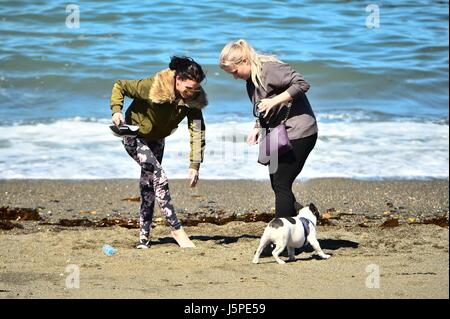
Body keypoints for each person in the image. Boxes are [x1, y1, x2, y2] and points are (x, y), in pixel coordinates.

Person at [109, 56, 208, 248]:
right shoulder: (152, 86)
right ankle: (177, 230)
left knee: (149, 185)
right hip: (133, 134)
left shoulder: (192, 97)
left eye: (194, 89)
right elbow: (120, 85)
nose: (191, 93)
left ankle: (143, 239)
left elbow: (197, 129)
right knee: (159, 176)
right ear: (177, 79)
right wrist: (116, 111)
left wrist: (195, 164)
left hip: (157, 138)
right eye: (187, 88)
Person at [219, 39, 317, 219]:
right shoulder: (251, 82)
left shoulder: (269, 69)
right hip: (278, 134)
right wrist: (258, 127)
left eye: (234, 71)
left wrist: (274, 100)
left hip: (300, 130)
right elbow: (263, 110)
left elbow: (302, 84)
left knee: (281, 183)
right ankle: (306, 214)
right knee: (278, 184)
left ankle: (282, 235)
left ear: (244, 62)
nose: (234, 77)